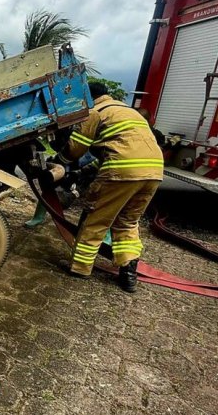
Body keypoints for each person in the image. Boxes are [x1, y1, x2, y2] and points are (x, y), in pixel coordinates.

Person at [53, 80, 164, 292]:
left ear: (87, 97)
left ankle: (80, 268)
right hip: (154, 171)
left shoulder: (95, 111)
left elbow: (76, 148)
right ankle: (128, 272)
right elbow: (115, 152)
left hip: (122, 170)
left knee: (96, 219)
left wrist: (59, 160)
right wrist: (82, 172)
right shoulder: (127, 111)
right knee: (127, 222)